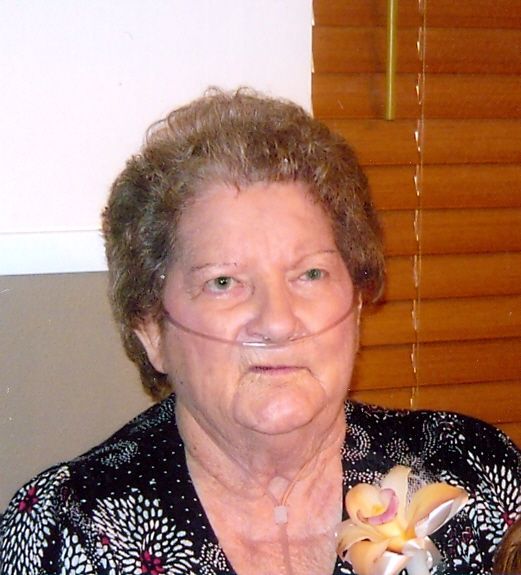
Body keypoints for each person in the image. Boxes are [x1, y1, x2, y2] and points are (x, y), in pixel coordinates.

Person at [1, 88, 520, 575]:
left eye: (310, 274)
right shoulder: (68, 529)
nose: (277, 321)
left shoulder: (474, 474)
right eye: (223, 282)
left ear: (357, 305)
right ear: (152, 331)